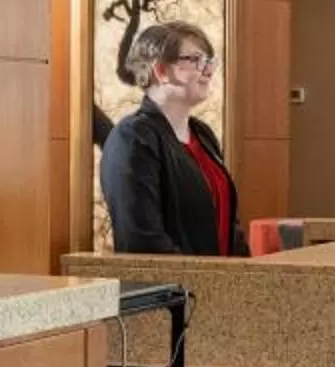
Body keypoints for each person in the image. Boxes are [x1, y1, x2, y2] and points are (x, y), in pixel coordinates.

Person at [100, 21, 245, 258]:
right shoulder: (132, 138)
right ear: (161, 71)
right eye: (195, 60)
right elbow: (143, 242)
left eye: (209, 61)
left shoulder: (203, 134)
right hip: (173, 292)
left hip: (221, 286)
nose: (208, 71)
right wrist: (199, 286)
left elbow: (230, 227)